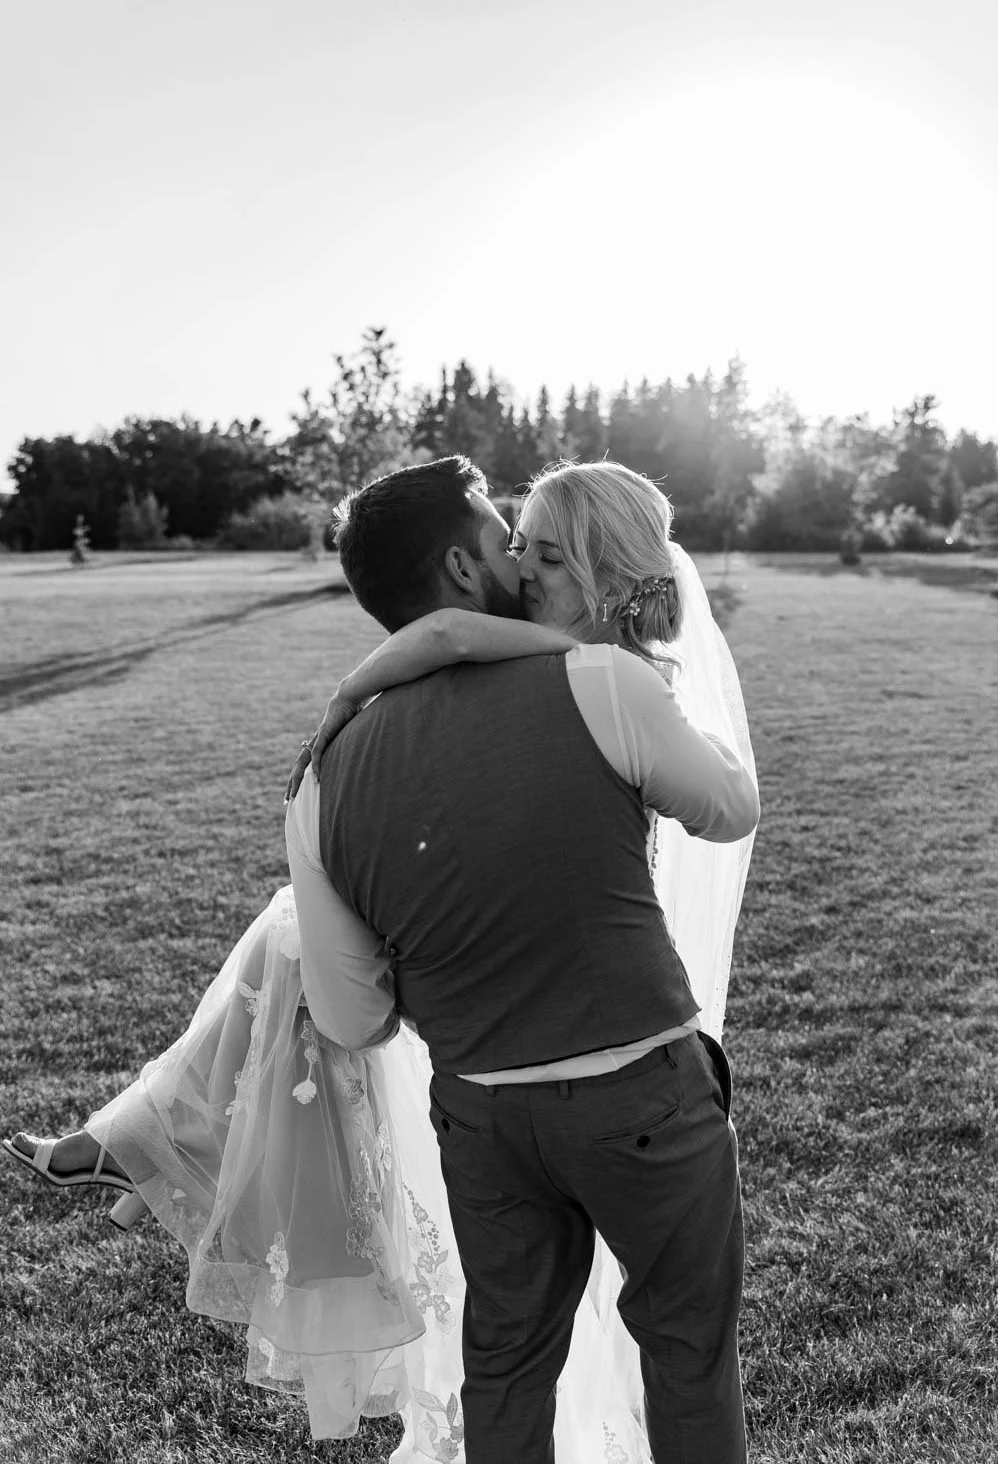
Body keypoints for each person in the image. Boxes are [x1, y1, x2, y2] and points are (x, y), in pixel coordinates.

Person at [4, 457, 759, 1463]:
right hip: (641, 1105)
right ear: (460, 563)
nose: (525, 567)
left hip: (486, 1121)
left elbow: (355, 1021)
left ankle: (138, 1124)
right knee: (684, 1356)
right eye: (508, 543)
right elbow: (728, 810)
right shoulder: (603, 685)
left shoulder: (322, 774)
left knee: (502, 1366)